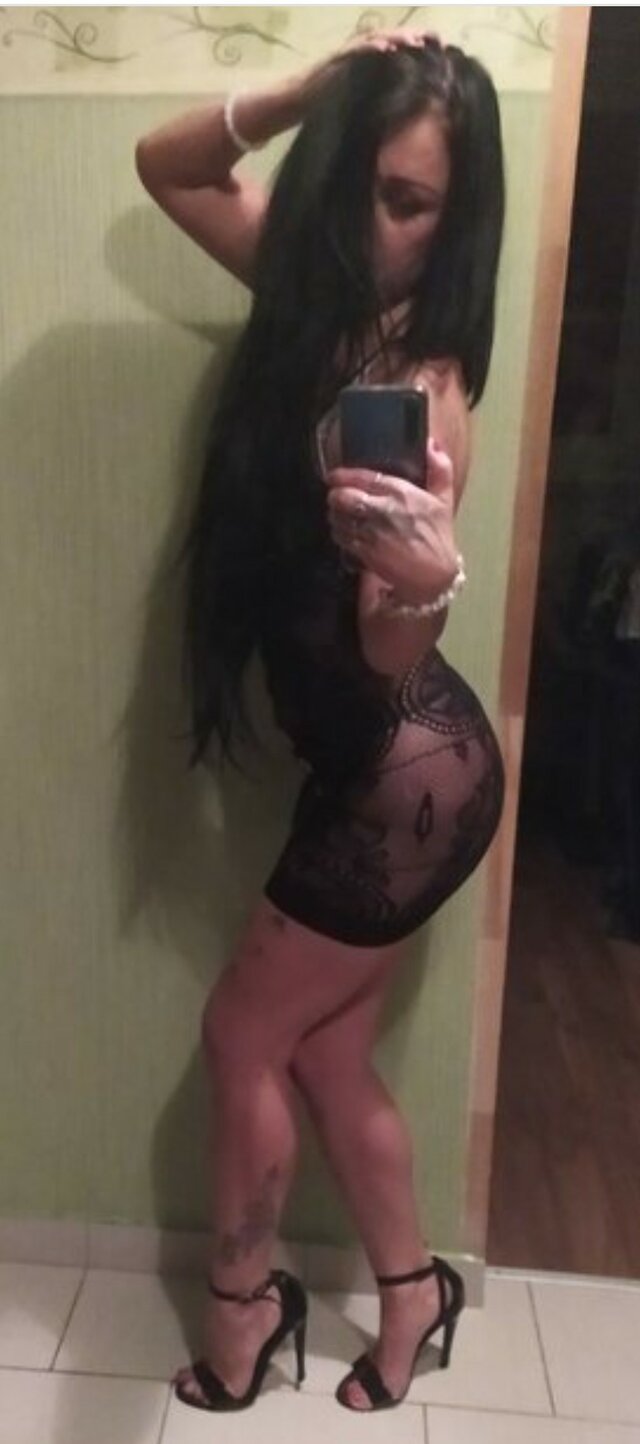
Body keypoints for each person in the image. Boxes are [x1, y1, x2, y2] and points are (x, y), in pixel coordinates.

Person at [135, 27, 506, 1414]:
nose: (369, 226)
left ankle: (242, 1316)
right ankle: (413, 1292)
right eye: (359, 181)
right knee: (326, 1047)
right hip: (391, 763)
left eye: (408, 203)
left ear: (455, 223)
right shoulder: (312, 300)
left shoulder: (422, 390)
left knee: (243, 1036)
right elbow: (168, 166)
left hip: (405, 772)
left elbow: (385, 651)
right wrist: (308, 91)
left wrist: (420, 589)